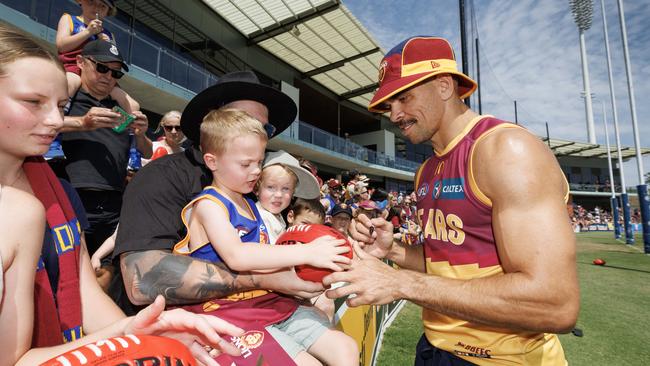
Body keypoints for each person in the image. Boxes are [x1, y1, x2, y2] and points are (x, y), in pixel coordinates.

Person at [325, 36, 579, 365]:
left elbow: (554, 302)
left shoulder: (506, 150)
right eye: (389, 105)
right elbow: (451, 265)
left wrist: (401, 282)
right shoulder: (427, 170)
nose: (394, 114)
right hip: (434, 348)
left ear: (444, 86)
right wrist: (394, 250)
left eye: (404, 97)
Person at [0, 24, 243, 365]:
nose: (56, 119)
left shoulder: (59, 194)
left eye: (60, 104)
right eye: (33, 102)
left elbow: (83, 295)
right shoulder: (27, 205)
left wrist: (140, 332)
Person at [108, 72, 330, 342]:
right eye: (244, 121)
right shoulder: (160, 176)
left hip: (249, 316)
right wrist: (263, 280)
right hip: (168, 338)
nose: (257, 133)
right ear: (214, 124)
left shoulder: (255, 184)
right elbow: (141, 282)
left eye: (265, 129)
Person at [172, 108, 357, 365]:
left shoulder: (250, 204)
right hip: (228, 314)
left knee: (346, 348)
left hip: (267, 302)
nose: (256, 171)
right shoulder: (209, 205)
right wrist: (307, 252)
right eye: (245, 164)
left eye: (259, 162)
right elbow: (236, 256)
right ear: (212, 162)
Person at [59, 39, 152, 256]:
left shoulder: (122, 107)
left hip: (114, 204)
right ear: (81, 62)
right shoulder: (67, 98)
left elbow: (146, 152)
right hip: (70, 196)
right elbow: (39, 123)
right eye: (102, 68)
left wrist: (141, 135)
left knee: (106, 272)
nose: (108, 77)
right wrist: (83, 122)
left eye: (115, 73)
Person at [56, 0, 139, 113]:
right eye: (91, 2)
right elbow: (61, 46)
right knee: (69, 84)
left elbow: (113, 59)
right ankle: (60, 115)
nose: (96, 8)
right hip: (73, 66)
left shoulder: (109, 35)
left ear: (108, 12)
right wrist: (88, 32)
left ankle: (127, 129)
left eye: (102, 6)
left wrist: (107, 44)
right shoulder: (69, 19)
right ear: (81, 2)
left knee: (133, 105)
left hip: (101, 72)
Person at [255, 150, 321, 244]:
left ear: (293, 192)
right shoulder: (262, 219)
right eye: (271, 187)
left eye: (285, 189)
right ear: (257, 189)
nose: (278, 195)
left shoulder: (275, 216)